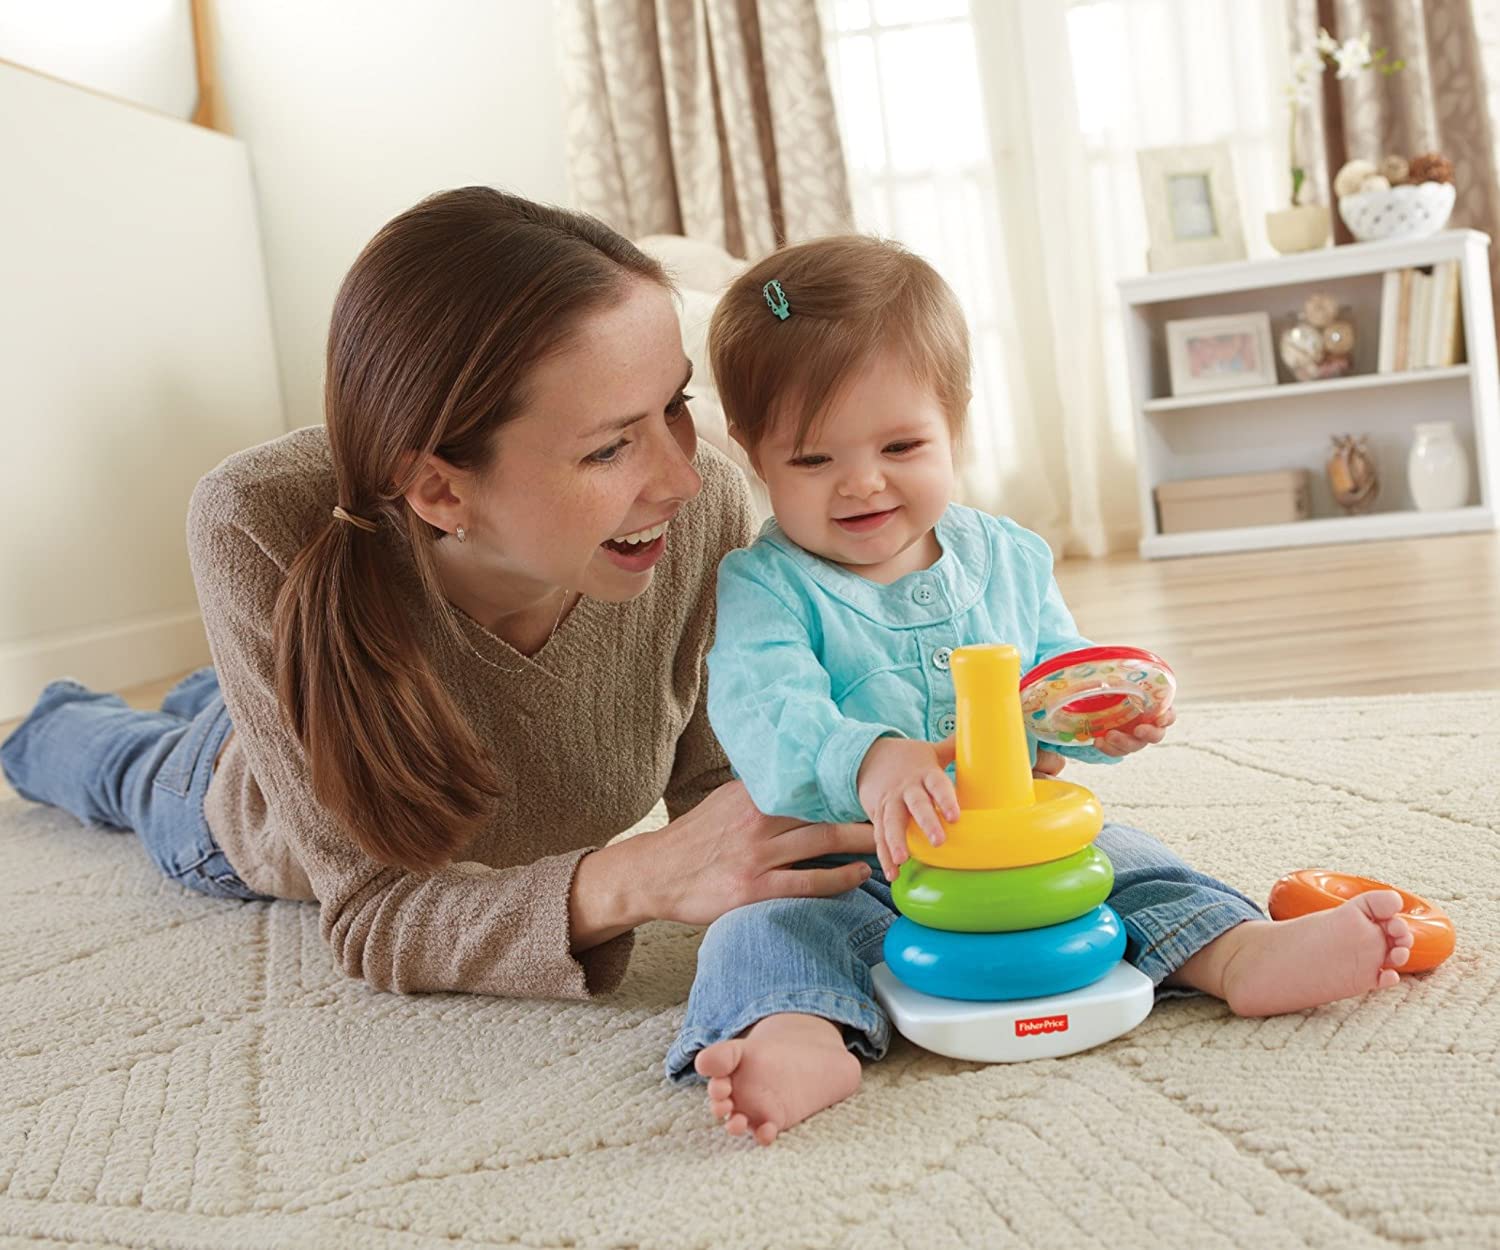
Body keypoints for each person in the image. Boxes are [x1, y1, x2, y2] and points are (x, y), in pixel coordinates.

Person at [0, 186, 879, 1001]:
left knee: (212, 694)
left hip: (321, 677)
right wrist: (635, 876)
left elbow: (734, 783)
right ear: (442, 491)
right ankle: (49, 724)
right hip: (234, 803)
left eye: (676, 404)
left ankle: (213, 690)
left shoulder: (702, 511)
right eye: (611, 448)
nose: (683, 479)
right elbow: (377, 911)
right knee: (119, 763)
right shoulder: (254, 519)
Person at [672, 234, 1416, 1146]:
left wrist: (1110, 718)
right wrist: (868, 762)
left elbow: (1059, 682)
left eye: (901, 444)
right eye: (813, 460)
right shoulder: (767, 587)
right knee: (757, 933)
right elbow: (765, 711)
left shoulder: (1010, 557)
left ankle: (1240, 952)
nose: (861, 482)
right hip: (856, 862)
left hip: (1022, 853)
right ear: (753, 453)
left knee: (1133, 862)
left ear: (959, 421)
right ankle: (795, 1033)